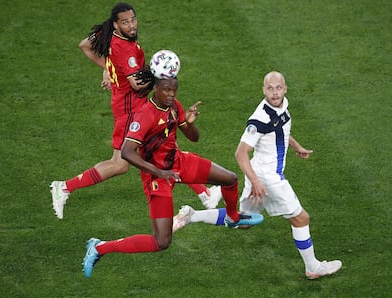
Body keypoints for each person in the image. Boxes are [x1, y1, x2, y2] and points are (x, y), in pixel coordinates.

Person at [49, 2, 221, 220]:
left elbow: (84, 44)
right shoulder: (126, 48)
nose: (131, 25)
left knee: (165, 146)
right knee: (119, 164)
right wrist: (158, 74)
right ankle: (63, 188)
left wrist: (110, 70)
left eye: (133, 19)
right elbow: (136, 83)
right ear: (116, 23)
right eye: (125, 22)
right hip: (132, 110)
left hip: (128, 104)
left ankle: (206, 194)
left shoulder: (108, 33)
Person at [82, 76, 262, 278]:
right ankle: (99, 247)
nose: (172, 94)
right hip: (157, 178)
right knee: (162, 241)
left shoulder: (174, 105)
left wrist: (190, 123)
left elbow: (194, 138)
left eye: (174, 90)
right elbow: (127, 152)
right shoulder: (144, 115)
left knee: (230, 179)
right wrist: (160, 173)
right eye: (167, 90)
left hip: (178, 163)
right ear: (155, 88)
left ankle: (232, 217)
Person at [172, 71, 342, 280]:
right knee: (301, 218)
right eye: (269, 88)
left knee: (242, 221)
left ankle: (191, 215)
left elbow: (281, 129)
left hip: (262, 175)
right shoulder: (260, 118)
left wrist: (297, 146)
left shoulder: (281, 106)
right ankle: (313, 267)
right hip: (267, 177)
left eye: (278, 87)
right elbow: (240, 152)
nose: (274, 93)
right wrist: (256, 182)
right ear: (263, 90)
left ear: (285, 88)